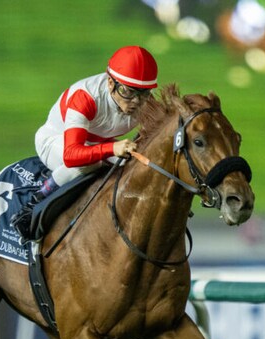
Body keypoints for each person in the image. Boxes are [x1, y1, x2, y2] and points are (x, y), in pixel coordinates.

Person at [11, 45, 158, 239]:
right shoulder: (85, 97)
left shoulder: (144, 102)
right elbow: (72, 156)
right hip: (57, 140)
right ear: (110, 83)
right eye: (128, 92)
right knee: (87, 164)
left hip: (97, 143)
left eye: (143, 93)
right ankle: (33, 204)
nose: (136, 102)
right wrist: (113, 148)